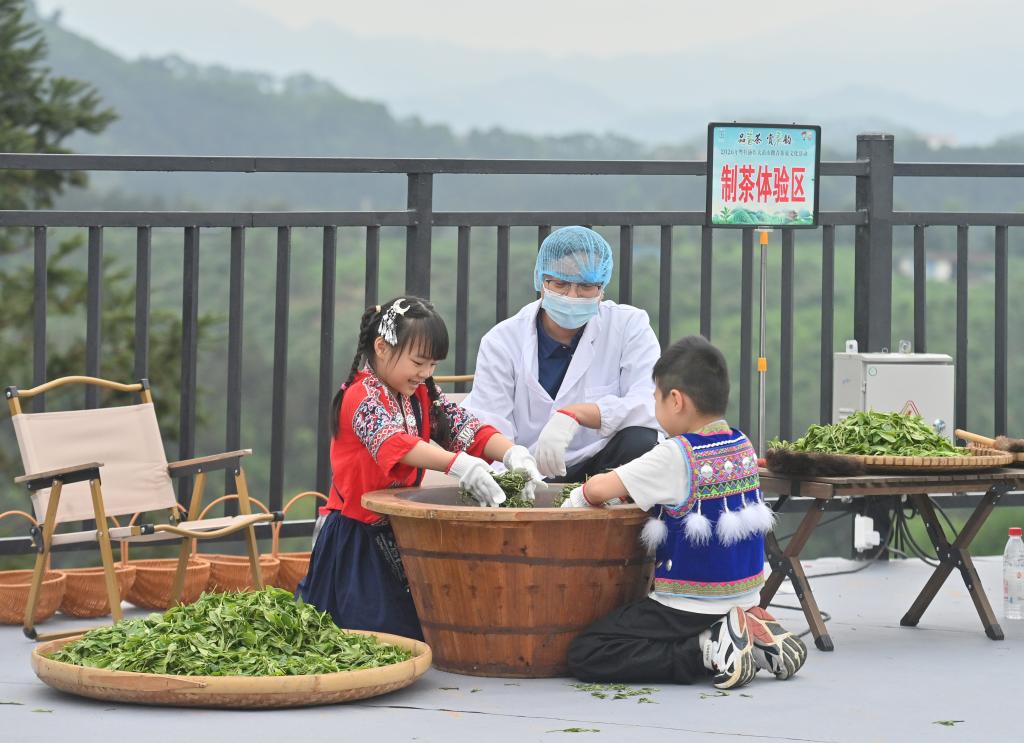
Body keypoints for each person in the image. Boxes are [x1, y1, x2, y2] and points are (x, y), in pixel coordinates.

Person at [561, 336, 806, 689]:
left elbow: (599, 489)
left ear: (675, 400)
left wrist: (577, 495)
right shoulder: (741, 443)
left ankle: (707, 649)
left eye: (656, 398)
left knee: (588, 651)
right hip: (745, 595)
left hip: (691, 605)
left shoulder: (676, 454)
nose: (654, 406)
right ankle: (749, 634)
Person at [298, 297, 544, 639]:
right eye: (418, 362)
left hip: (400, 529)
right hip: (356, 537)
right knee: (366, 638)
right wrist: (457, 464)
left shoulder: (420, 392)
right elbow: (392, 442)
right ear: (381, 347)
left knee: (417, 632)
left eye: (432, 364)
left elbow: (462, 427)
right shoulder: (360, 396)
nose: (426, 373)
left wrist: (513, 453)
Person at [464, 226, 661, 481]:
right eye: (560, 283)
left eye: (586, 286)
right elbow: (490, 426)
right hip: (529, 470)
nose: (572, 296)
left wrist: (579, 414)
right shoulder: (501, 342)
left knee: (641, 439)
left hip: (603, 465)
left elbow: (651, 403)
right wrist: (516, 476)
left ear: (602, 287)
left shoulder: (628, 326)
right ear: (541, 281)